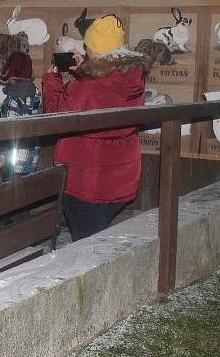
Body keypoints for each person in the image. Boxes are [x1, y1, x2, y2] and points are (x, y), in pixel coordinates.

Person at [42, 14, 150, 241]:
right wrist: (87, 70)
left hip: (89, 181)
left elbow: (56, 116)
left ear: (96, 50)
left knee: (86, 247)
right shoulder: (132, 76)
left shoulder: (87, 87)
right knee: (96, 240)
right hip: (121, 178)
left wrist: (52, 82)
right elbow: (105, 92)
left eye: (88, 46)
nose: (85, 50)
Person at [0, 51, 42, 181]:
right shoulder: (36, 97)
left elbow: (7, 133)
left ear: (10, 76)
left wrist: (0, 155)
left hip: (11, 163)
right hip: (31, 162)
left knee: (9, 199)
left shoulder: (12, 100)